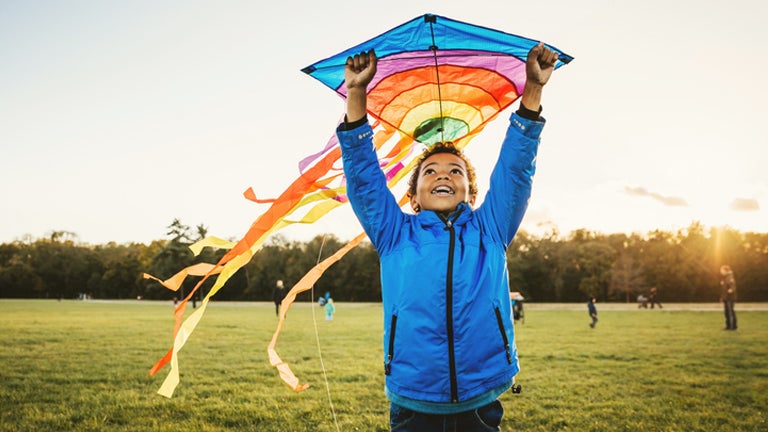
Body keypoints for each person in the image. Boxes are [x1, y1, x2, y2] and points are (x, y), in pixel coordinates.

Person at [337, 43, 558, 431]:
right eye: (431, 171)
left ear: (472, 195)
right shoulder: (394, 234)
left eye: (456, 171)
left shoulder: (491, 229)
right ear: (413, 196)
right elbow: (365, 180)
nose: (443, 174)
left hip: (481, 395)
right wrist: (356, 93)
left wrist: (534, 90)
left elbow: (515, 170)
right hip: (413, 397)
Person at [720, 265, 737, 330]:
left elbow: (733, 285)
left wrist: (731, 289)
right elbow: (723, 289)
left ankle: (733, 326)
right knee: (726, 312)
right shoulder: (724, 278)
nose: (721, 272)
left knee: (731, 312)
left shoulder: (730, 277)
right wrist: (722, 297)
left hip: (730, 298)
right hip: (726, 297)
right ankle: (728, 326)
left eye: (721, 270)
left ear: (725, 270)